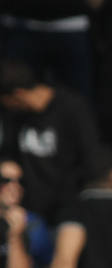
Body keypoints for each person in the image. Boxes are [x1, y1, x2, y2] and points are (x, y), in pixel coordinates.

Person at [0, 59, 102, 224]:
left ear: (18, 94)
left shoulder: (72, 109)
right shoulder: (15, 117)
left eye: (5, 102)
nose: (5, 107)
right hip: (29, 213)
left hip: (67, 212)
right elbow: (9, 156)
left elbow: (90, 159)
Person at [0, 155, 50, 268]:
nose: (14, 186)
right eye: (5, 180)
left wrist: (15, 236)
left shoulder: (34, 225)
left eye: (20, 181)